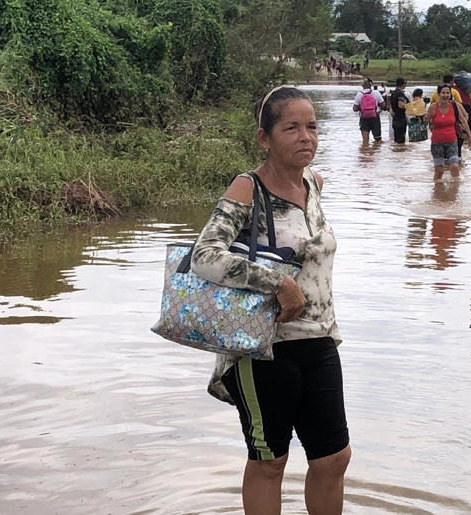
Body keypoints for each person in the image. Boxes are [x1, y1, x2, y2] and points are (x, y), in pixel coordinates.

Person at [191, 86, 350, 515]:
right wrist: (276, 282)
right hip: (263, 348)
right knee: (269, 461)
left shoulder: (314, 184)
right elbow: (203, 258)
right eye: (291, 128)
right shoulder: (249, 188)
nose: (306, 137)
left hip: (318, 340)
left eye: (312, 127)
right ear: (265, 137)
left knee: (334, 458)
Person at [426, 83, 471, 181]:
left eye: (448, 93)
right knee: (439, 171)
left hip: (452, 141)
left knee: (455, 166)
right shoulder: (433, 107)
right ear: (439, 94)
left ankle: (454, 193)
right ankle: (437, 193)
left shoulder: (455, 105)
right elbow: (426, 121)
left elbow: (464, 121)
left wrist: (470, 137)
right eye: (443, 93)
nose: (446, 95)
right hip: (437, 143)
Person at [353, 78, 385, 145]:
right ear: (371, 85)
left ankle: (365, 152)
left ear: (362, 86)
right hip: (375, 117)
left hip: (364, 118)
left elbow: (355, 109)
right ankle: (377, 153)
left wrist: (362, 108)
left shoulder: (359, 94)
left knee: (365, 142)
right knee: (378, 139)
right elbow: (383, 105)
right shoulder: (376, 93)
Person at [389, 77, 409, 144]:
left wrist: (392, 113)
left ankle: (396, 152)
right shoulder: (400, 94)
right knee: (401, 141)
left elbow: (390, 106)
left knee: (396, 140)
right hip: (401, 119)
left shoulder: (393, 93)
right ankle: (401, 152)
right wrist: (408, 107)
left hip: (395, 119)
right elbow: (400, 105)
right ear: (403, 84)